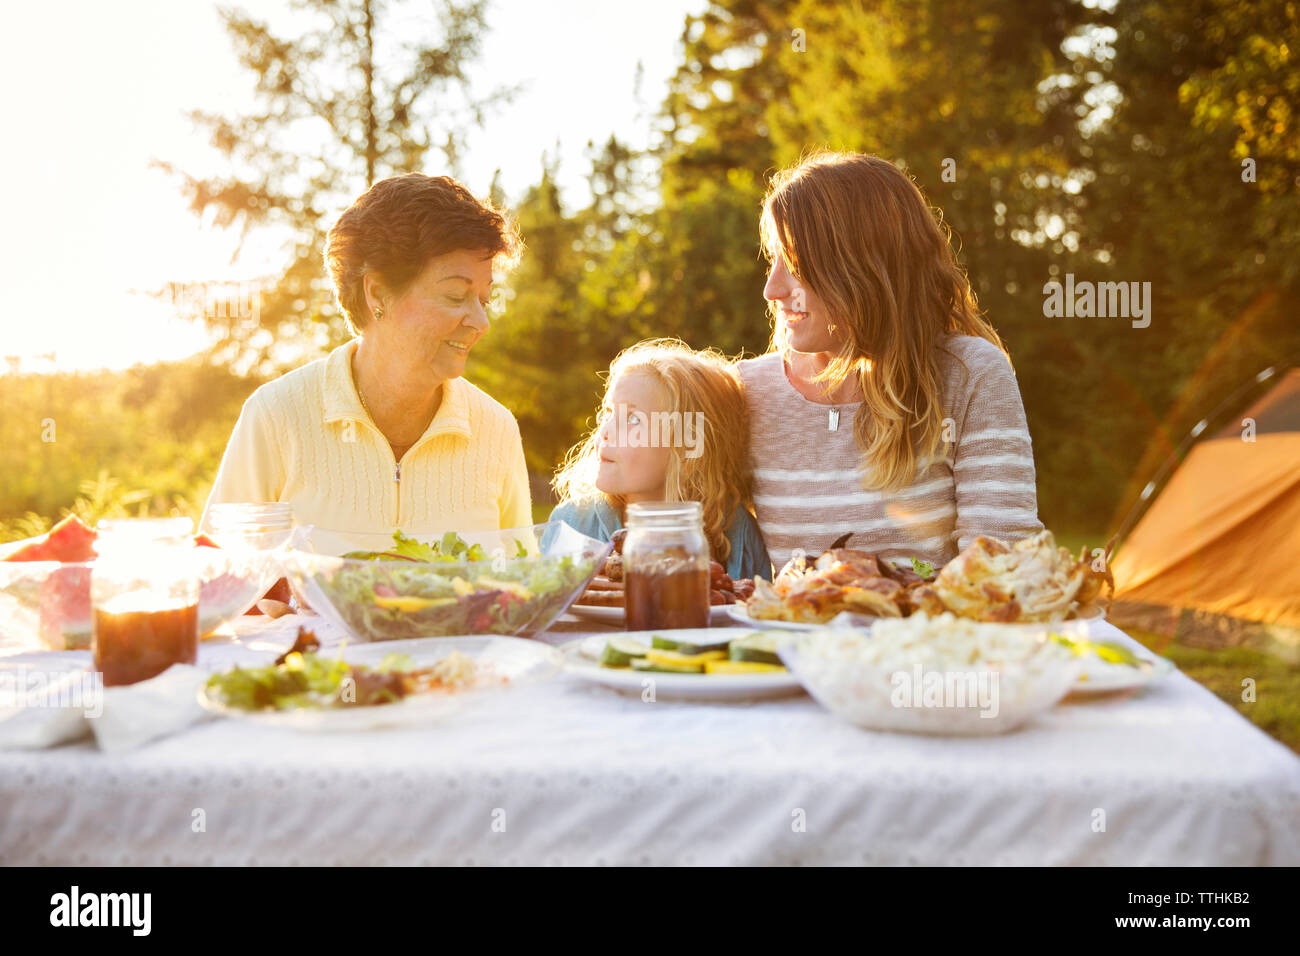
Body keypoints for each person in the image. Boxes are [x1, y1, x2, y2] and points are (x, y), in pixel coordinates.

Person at [739, 150, 1044, 571]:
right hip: (789, 636)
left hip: (934, 635)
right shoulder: (745, 391)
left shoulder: (970, 374)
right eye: (773, 258)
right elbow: (659, 514)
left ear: (864, 267)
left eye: (794, 261)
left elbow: (1000, 565)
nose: (772, 289)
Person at [199, 173, 531, 549]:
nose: (480, 322)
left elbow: (523, 588)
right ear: (377, 294)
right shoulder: (276, 415)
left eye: (483, 300)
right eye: (456, 295)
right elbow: (220, 582)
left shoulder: (497, 429)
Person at [550, 339, 772, 580]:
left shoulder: (739, 537)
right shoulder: (572, 524)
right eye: (609, 412)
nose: (604, 431)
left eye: (633, 419)